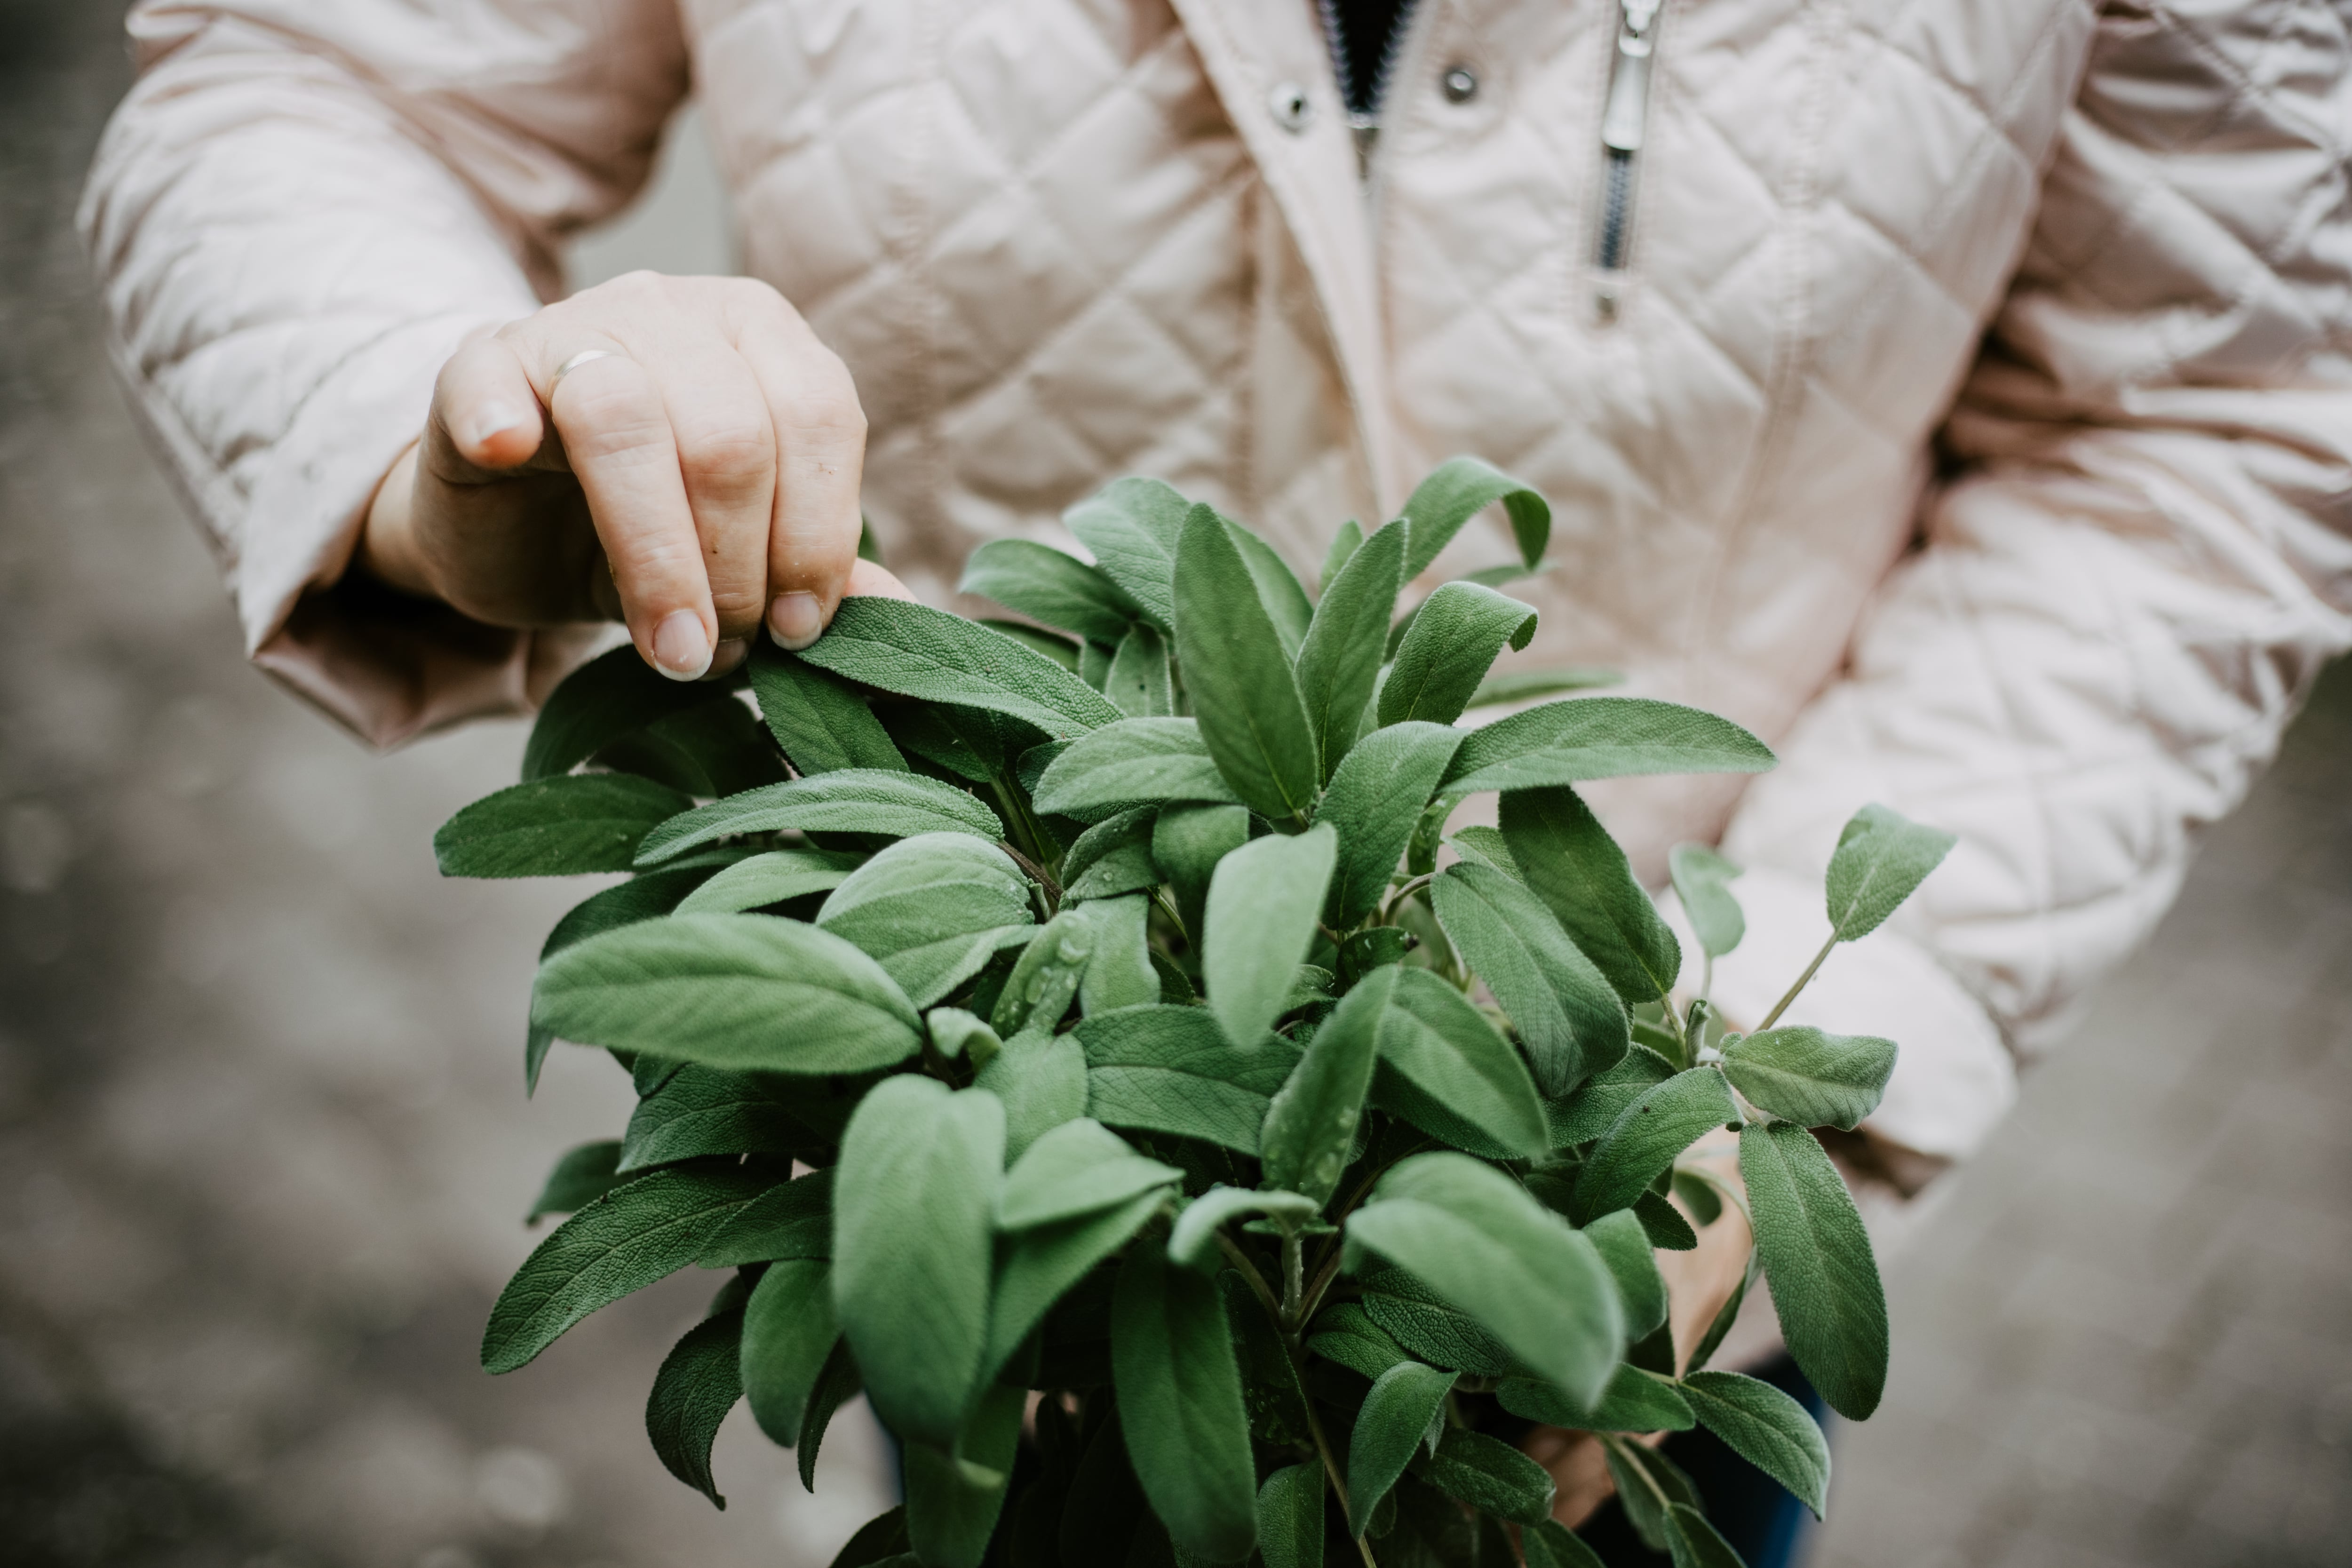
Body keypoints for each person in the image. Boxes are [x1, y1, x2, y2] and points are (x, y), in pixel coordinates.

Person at [80, 0, 2352, 1560]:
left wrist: (1761, 1072)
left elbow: (2213, 402)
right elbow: (310, 73)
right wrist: (453, 447)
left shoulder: (1702, 1109)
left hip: (1645, 1177)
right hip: (996, 1130)